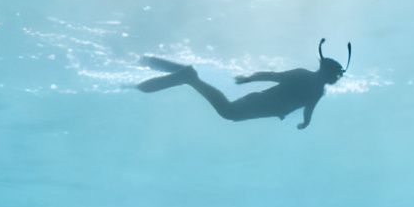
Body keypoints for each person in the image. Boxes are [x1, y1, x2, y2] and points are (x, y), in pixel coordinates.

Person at [138, 40, 350, 129]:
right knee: (229, 112)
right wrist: (249, 79)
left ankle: (191, 79)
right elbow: (273, 76)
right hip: (261, 103)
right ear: (327, 72)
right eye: (337, 75)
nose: (337, 80)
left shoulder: (318, 90)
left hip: (265, 107)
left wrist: (307, 122)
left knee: (230, 113)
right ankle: (191, 78)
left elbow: (309, 107)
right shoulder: (305, 77)